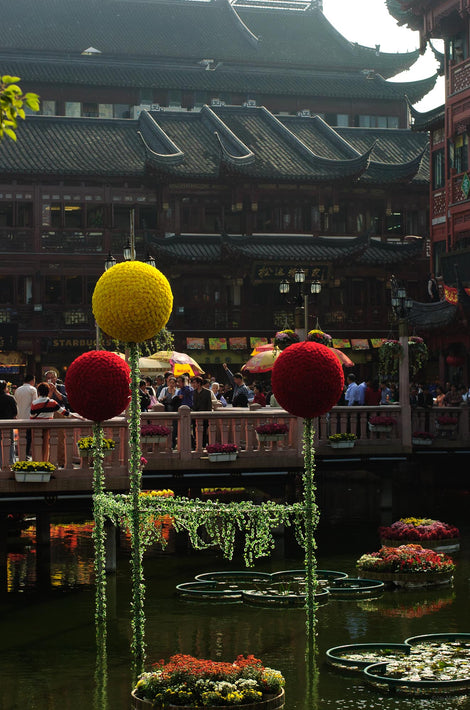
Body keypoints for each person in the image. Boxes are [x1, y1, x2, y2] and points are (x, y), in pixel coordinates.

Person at [30, 382, 78, 462]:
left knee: (37, 447)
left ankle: (38, 463)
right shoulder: (52, 403)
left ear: (38, 392)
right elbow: (64, 412)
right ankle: (46, 462)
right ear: (48, 392)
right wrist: (77, 417)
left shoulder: (35, 403)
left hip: (37, 428)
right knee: (47, 446)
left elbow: (32, 416)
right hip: (49, 427)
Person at [44, 370, 69, 467]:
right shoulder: (43, 387)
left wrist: (55, 390)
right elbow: (45, 400)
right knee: (47, 438)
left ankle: (61, 461)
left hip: (60, 413)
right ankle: (48, 461)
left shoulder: (61, 387)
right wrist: (50, 392)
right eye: (48, 378)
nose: (50, 379)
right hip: (47, 413)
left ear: (56, 378)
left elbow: (64, 400)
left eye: (52, 377)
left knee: (60, 438)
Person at [14, 373, 37, 459]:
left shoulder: (18, 390)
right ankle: (26, 454)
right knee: (28, 437)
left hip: (19, 416)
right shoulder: (32, 389)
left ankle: (21, 454)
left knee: (21, 437)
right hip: (29, 416)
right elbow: (35, 404)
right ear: (32, 381)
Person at [0, 380, 18, 466]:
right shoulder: (10, 398)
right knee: (10, 443)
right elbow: (15, 412)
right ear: (5, 388)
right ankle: (10, 461)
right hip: (8, 424)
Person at [191, 376, 212, 448]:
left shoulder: (207, 392)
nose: (193, 385)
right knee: (195, 431)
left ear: (199, 383)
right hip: (195, 415)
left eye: (194, 383)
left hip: (204, 415)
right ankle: (196, 445)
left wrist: (208, 416)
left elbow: (209, 405)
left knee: (204, 432)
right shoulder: (193, 392)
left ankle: (203, 445)